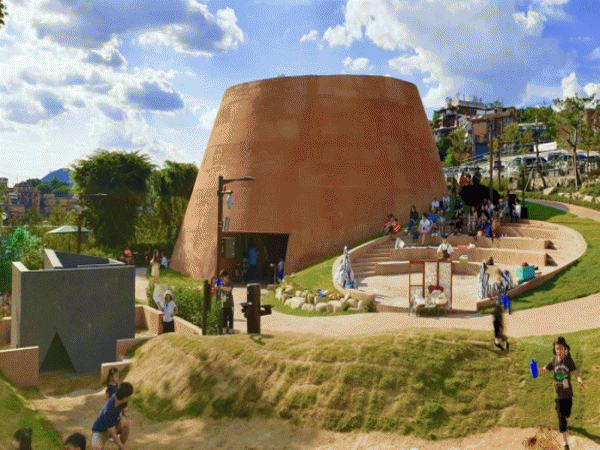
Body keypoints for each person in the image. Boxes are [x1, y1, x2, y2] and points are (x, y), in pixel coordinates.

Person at [538, 337, 586, 450]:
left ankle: (565, 416)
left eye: (561, 348)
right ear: (555, 350)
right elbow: (544, 370)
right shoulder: (553, 360)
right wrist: (537, 371)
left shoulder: (569, 360)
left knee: (567, 414)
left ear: (565, 348)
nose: (559, 351)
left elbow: (575, 372)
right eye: (557, 349)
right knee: (562, 420)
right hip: (558, 396)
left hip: (568, 395)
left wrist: (579, 380)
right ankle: (565, 442)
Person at [91, 382, 133, 450]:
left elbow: (125, 410)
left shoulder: (119, 398)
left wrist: (124, 414)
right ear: (125, 398)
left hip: (113, 426)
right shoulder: (109, 411)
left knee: (126, 424)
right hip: (100, 432)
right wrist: (121, 446)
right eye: (128, 396)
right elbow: (113, 434)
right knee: (96, 448)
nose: (129, 398)